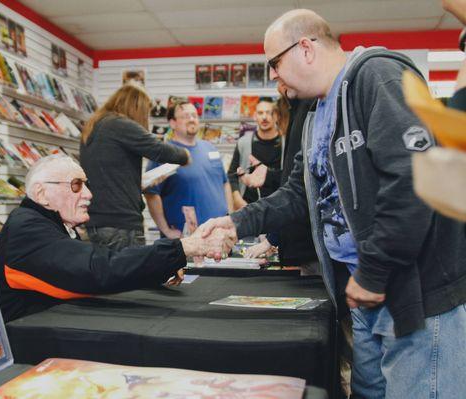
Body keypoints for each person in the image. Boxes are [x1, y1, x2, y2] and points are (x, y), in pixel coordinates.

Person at [200, 9, 466, 398]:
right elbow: (297, 194)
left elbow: (415, 177)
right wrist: (236, 222)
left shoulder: (377, 75)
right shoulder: (314, 117)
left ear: (305, 48)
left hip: (416, 294)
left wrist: (373, 273)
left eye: (274, 63)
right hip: (365, 296)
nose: (273, 76)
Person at [0, 155, 234, 322]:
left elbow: (97, 267)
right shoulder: (28, 229)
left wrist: (160, 268)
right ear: (42, 193)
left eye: (85, 185)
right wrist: (183, 247)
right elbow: (97, 269)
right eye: (76, 186)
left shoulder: (46, 223)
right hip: (24, 349)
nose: (88, 194)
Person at [80, 84, 189, 251]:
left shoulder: (95, 126)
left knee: (106, 275)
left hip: (96, 222)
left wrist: (140, 183)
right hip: (120, 225)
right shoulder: (120, 124)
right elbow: (158, 149)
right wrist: (185, 156)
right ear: (136, 107)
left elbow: (108, 177)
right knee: (130, 274)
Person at [244, 82, 318, 274]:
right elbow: (296, 180)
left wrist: (272, 238)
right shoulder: (301, 112)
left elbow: (302, 188)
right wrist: (269, 175)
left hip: (309, 245)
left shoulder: (306, 114)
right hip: (301, 243)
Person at [144, 101, 233, 239]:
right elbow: (151, 194)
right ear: (172, 123)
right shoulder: (164, 153)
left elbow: (225, 183)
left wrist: (230, 218)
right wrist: (166, 231)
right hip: (186, 240)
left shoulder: (210, 148)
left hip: (219, 236)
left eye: (194, 115)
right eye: (185, 116)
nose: (192, 119)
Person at [227, 98, 282, 210]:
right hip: (249, 208)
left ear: (276, 116)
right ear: (255, 116)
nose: (264, 117)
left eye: (268, 113)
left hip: (279, 208)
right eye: (260, 113)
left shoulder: (286, 142)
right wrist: (237, 199)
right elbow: (232, 174)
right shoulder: (244, 143)